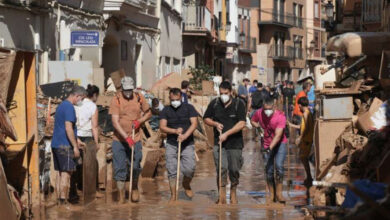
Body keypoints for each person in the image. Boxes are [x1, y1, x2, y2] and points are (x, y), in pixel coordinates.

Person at [109, 76, 151, 203]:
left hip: (136, 138)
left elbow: (148, 113)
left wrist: (140, 121)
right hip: (119, 140)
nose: (128, 92)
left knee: (136, 164)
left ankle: (134, 188)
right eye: (125, 90)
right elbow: (115, 122)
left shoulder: (139, 97)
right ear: (122, 88)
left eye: (130, 90)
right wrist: (126, 138)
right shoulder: (116, 100)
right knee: (119, 167)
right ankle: (122, 197)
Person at [204, 81, 246, 204]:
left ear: (231, 92)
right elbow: (206, 118)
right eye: (221, 93)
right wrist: (215, 123)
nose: (223, 96)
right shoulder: (215, 103)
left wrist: (227, 134)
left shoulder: (239, 104)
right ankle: (221, 195)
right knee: (221, 168)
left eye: (226, 93)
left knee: (234, 169)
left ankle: (233, 190)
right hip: (219, 143)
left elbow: (242, 123)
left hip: (235, 143)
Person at [159, 88, 198, 203]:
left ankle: (186, 184)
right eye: (173, 99)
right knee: (171, 170)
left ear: (181, 97)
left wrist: (185, 135)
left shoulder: (189, 108)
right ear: (169, 98)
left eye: (177, 99)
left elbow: (194, 124)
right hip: (171, 143)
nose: (175, 102)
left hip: (187, 143)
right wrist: (175, 131)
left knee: (190, 169)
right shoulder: (165, 110)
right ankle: (173, 195)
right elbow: (162, 127)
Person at [51, 86, 86, 205]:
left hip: (56, 144)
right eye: (81, 99)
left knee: (60, 173)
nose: (81, 101)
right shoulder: (70, 107)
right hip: (65, 145)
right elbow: (68, 128)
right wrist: (75, 146)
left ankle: (58, 202)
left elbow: (63, 126)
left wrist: (77, 139)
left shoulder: (61, 105)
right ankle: (63, 203)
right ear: (77, 96)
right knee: (67, 174)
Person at [251, 97, 288, 204]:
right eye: (265, 109)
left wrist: (269, 148)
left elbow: (278, 135)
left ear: (274, 107)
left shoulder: (280, 117)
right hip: (266, 143)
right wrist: (257, 126)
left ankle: (279, 193)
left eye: (269, 109)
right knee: (269, 169)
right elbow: (253, 121)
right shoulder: (259, 113)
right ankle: (272, 193)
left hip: (280, 143)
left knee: (279, 166)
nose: (267, 111)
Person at [70, 84, 100, 202]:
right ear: (95, 95)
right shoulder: (92, 106)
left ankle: (74, 191)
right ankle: (90, 191)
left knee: (75, 164)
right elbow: (94, 126)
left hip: (75, 135)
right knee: (90, 165)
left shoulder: (76, 103)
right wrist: (96, 142)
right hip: (87, 137)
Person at [289, 97, 314, 188]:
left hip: (306, 141)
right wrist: (291, 125)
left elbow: (306, 128)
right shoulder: (307, 113)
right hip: (306, 140)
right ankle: (309, 177)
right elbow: (302, 127)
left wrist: (300, 137)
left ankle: (309, 178)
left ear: (300, 105)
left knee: (304, 158)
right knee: (304, 159)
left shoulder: (306, 114)